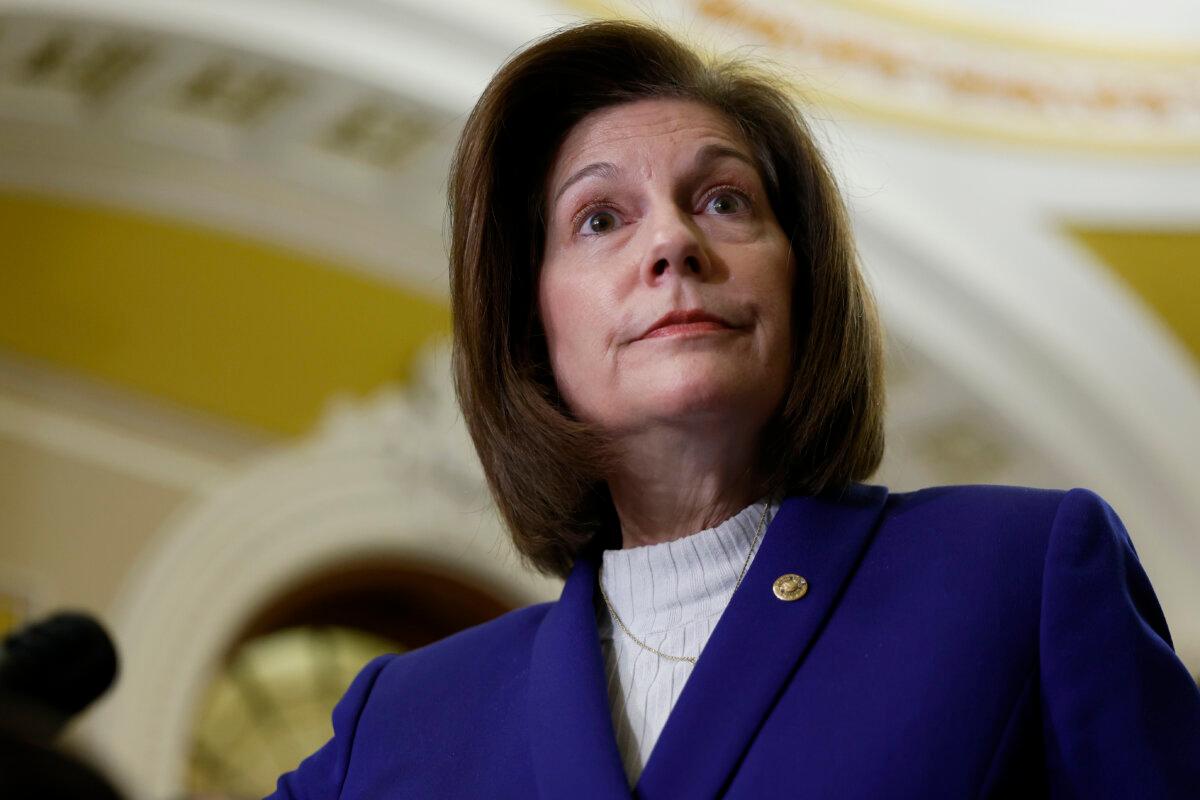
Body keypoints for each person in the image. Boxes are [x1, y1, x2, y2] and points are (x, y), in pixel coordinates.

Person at [268, 20, 1200, 799]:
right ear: (533, 321)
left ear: (801, 280)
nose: (673, 240)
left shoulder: (1019, 572)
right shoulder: (400, 722)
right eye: (599, 218)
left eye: (723, 200)